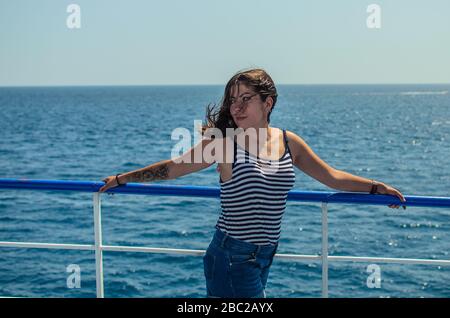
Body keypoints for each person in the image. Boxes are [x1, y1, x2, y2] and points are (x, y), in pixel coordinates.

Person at [99, 68, 407, 298]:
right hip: (231, 255)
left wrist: (376, 187)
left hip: (264, 255)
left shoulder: (289, 142)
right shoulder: (223, 142)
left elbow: (331, 176)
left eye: (246, 99)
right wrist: (123, 178)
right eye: (233, 100)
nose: (236, 107)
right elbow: (171, 169)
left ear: (268, 103)